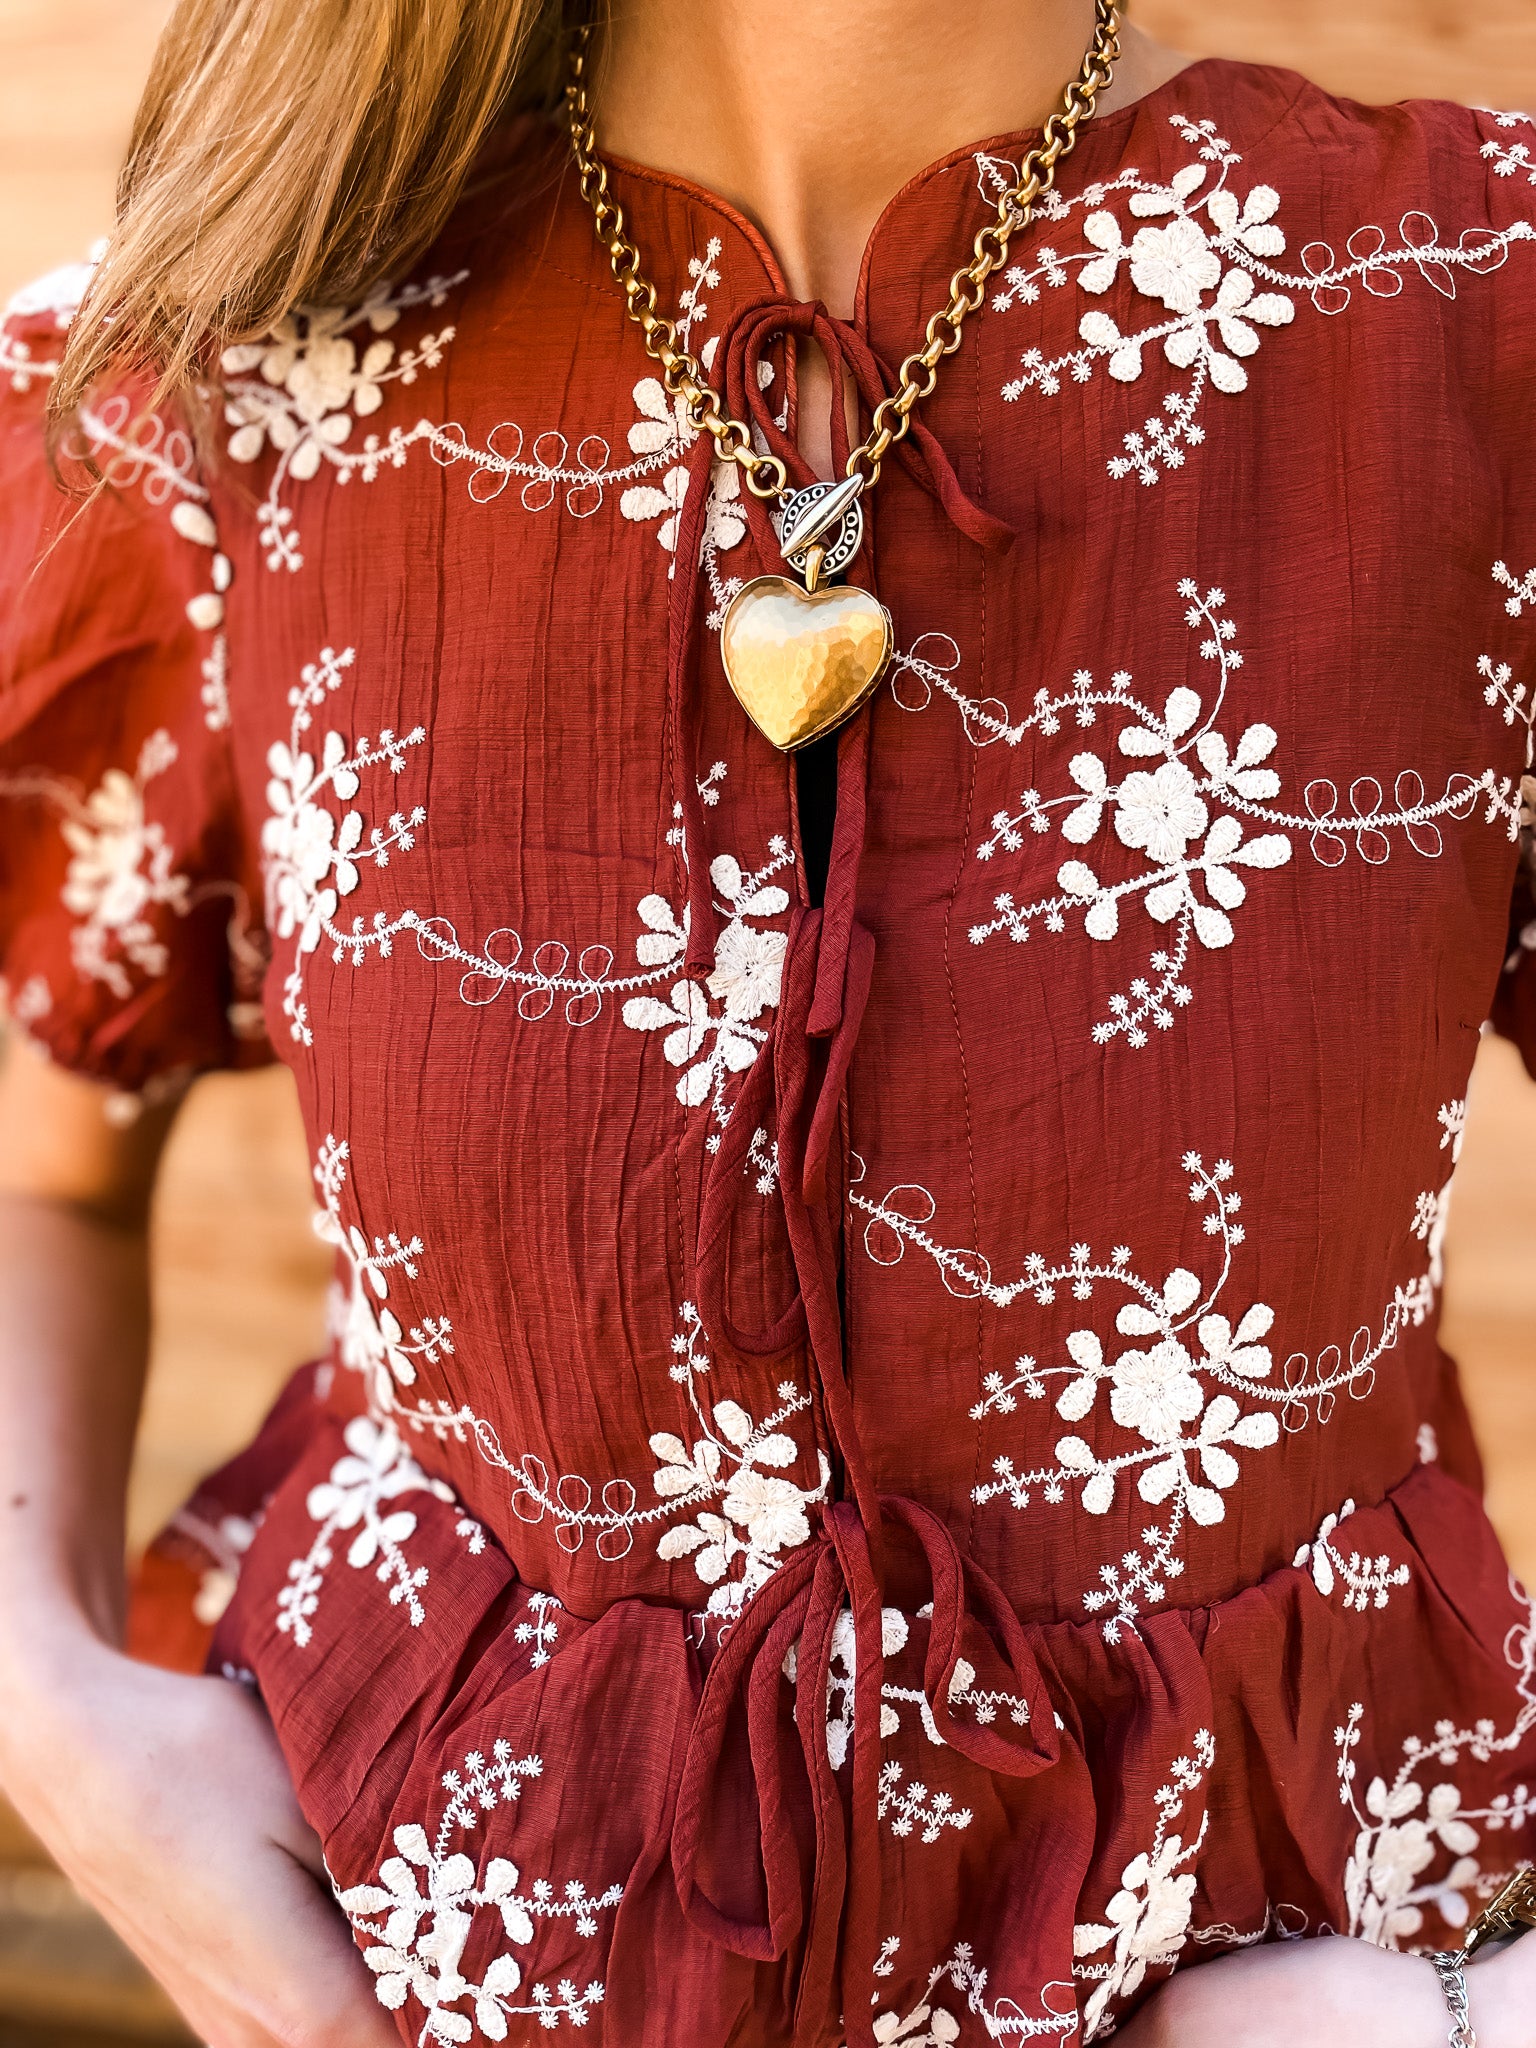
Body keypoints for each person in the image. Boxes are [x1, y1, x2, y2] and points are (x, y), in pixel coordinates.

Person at [1, 0, 1534, 2042]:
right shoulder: (225, 360)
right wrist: (54, 1712)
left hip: (1325, 1930)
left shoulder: (1466, 324)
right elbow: (47, 1171)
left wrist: (1469, 2018)